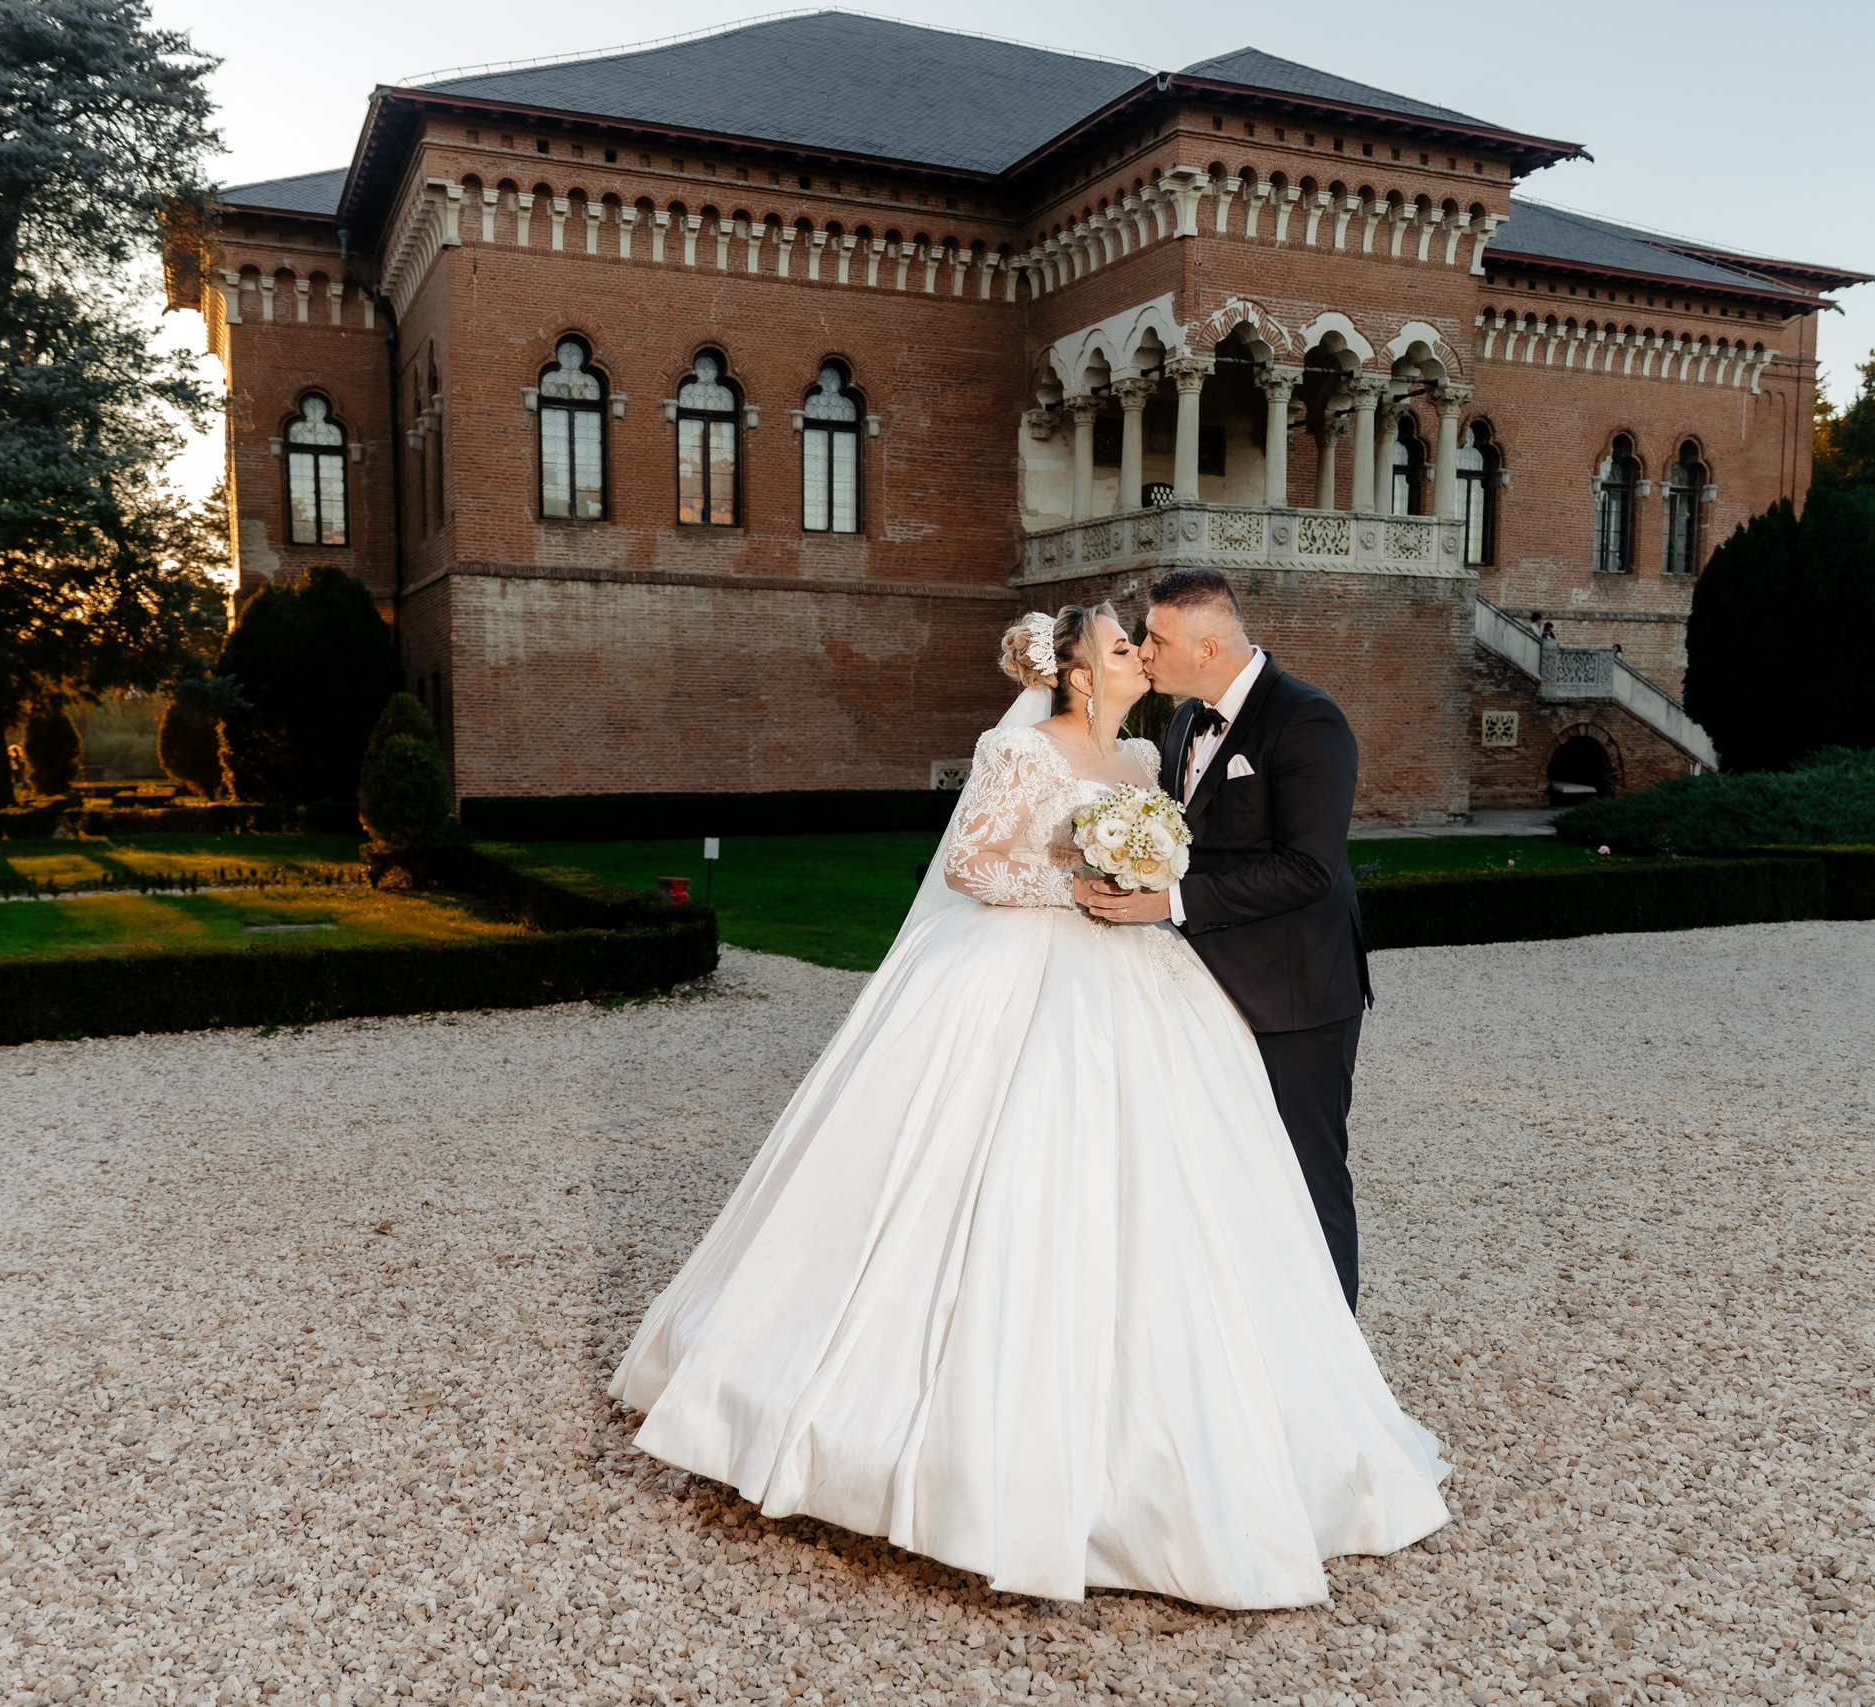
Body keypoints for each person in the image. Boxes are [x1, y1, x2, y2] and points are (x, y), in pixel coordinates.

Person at [611, 605, 1449, 1609]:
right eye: (1124, 646)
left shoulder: (1146, 756)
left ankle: (1260, 1393)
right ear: (1081, 675)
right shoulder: (1021, 748)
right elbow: (970, 864)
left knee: (1189, 1182)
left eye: (1146, 642)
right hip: (1020, 972)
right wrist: (1080, 882)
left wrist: (1138, 876)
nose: (1141, 654)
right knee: (1002, 1166)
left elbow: (1220, 857)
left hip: (1144, 979)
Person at [1085, 569, 1371, 1307]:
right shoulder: (1182, 720)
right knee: (1231, 1175)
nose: (1145, 652)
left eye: (1157, 639)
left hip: (1296, 998)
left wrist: (1169, 901)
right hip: (1204, 993)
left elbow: (1309, 869)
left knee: (1307, 1176)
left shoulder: (1308, 719)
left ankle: (1334, 1346)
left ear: (1206, 648)